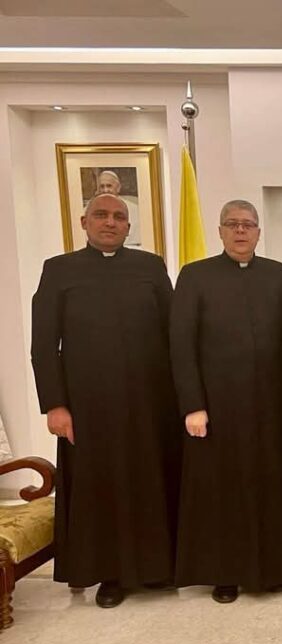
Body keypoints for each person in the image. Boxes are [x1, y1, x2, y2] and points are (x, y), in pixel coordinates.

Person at [30, 193, 179, 608]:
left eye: (118, 217)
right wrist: (55, 405)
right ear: (84, 222)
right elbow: (43, 345)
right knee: (102, 486)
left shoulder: (150, 267)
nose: (110, 222)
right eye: (101, 215)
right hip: (88, 406)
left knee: (151, 479)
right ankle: (110, 574)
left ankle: (155, 568)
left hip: (150, 401)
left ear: (129, 226)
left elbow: (173, 332)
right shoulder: (59, 270)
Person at [171, 200, 282, 603]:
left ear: (259, 232)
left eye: (248, 225)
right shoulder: (195, 276)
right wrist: (193, 405)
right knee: (222, 491)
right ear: (220, 231)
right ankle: (224, 574)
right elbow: (181, 345)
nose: (241, 231)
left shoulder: (279, 274)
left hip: (270, 406)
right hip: (217, 406)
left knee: (269, 486)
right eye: (232, 224)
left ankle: (273, 570)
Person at [95, 170, 141, 247]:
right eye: (102, 186)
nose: (105, 190)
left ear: (118, 188)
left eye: (109, 186)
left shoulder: (134, 209)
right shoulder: (89, 210)